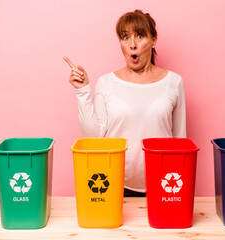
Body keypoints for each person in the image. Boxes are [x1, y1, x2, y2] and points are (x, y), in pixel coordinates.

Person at [64, 10, 186, 197]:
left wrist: (177, 191)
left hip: (165, 184)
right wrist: (82, 91)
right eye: (125, 37)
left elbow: (180, 143)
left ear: (153, 40)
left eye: (140, 36)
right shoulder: (106, 83)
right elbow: (94, 138)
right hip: (113, 183)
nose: (133, 45)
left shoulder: (174, 82)